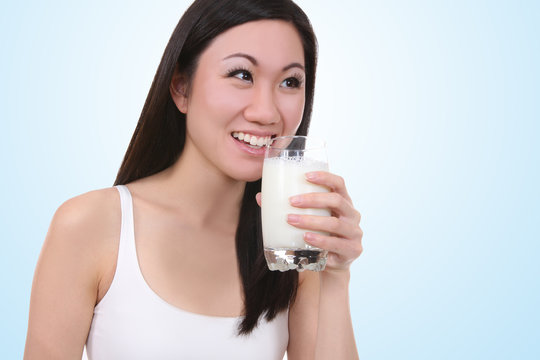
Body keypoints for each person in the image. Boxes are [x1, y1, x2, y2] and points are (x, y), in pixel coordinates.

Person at [24, 0, 363, 359]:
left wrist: (336, 276)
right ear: (181, 88)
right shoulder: (91, 225)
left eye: (290, 81)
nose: (266, 112)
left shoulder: (290, 248)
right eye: (242, 75)